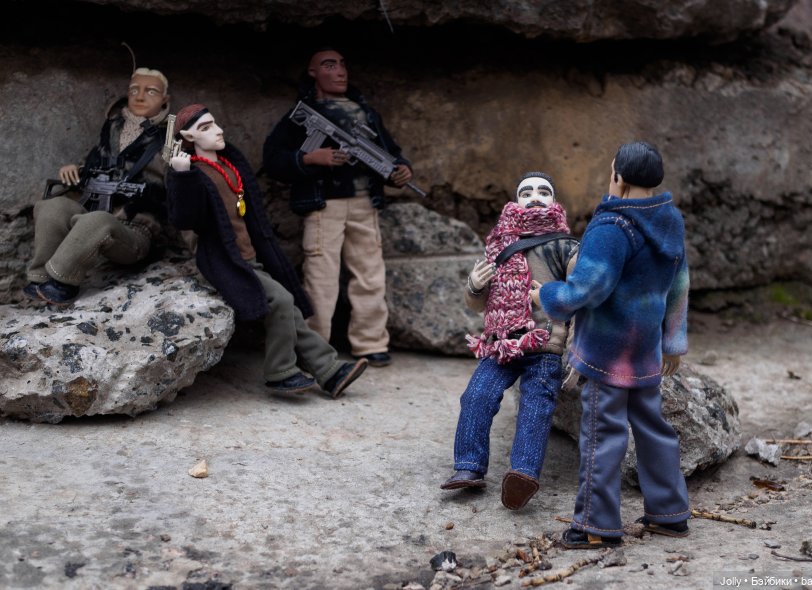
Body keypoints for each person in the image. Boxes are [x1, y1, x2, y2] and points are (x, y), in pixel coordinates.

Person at [531, 142, 690, 548]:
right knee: (654, 429)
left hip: (607, 352)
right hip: (646, 351)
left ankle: (595, 526)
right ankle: (670, 512)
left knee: (602, 435)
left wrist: (547, 295)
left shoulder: (611, 227)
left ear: (618, 176)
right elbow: (679, 282)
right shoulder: (670, 219)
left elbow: (588, 288)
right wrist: (673, 341)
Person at [167, 104, 367, 397]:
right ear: (188, 137)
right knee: (281, 301)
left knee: (291, 311)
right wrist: (181, 176)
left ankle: (329, 371)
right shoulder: (192, 173)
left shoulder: (229, 164)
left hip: (250, 254)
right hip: (225, 260)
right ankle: (280, 371)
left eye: (215, 123)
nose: (218, 130)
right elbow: (186, 219)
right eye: (205, 128)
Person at [263, 47, 416, 368]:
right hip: (324, 206)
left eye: (342, 65)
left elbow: (387, 151)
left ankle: (371, 342)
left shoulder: (366, 113)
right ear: (313, 73)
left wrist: (400, 170)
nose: (340, 71)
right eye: (329, 65)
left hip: (364, 203)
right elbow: (273, 159)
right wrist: (310, 158)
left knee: (370, 275)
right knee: (321, 279)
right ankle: (315, 348)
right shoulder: (304, 113)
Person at [440, 173, 579, 510]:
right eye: (526, 192)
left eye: (543, 192)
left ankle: (523, 474)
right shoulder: (500, 244)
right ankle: (469, 465)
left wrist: (575, 348)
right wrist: (475, 285)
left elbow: (581, 298)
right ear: (515, 202)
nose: (535, 197)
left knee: (536, 406)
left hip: (544, 343)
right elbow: (479, 304)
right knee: (476, 395)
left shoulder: (567, 247)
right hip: (500, 343)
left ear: (555, 201)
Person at [24, 68, 171, 305]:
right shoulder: (113, 128)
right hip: (95, 211)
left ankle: (62, 281)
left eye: (151, 91)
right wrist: (79, 169)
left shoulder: (169, 140)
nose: (140, 96)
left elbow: (179, 188)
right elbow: (97, 160)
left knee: (97, 221)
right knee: (52, 207)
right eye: (134, 90)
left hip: (137, 229)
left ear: (165, 99)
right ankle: (40, 277)